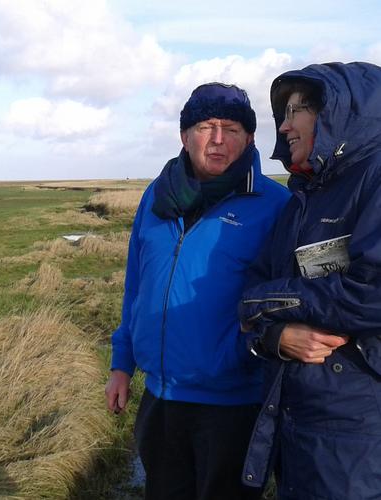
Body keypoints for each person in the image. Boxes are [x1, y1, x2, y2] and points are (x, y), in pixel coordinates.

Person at [105, 82, 290, 500]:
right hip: (159, 397)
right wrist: (122, 364)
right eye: (207, 126)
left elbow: (286, 302)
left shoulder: (276, 205)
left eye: (232, 128)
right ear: (185, 135)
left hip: (232, 404)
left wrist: (240, 357)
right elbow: (137, 285)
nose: (219, 139)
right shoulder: (156, 196)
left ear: (251, 139)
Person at [239, 61, 381, 500]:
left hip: (357, 436)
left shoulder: (374, 179)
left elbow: (372, 292)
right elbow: (256, 284)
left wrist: (269, 302)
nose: (283, 127)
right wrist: (276, 335)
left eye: (295, 111)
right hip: (297, 424)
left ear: (337, 113)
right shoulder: (302, 198)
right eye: (282, 114)